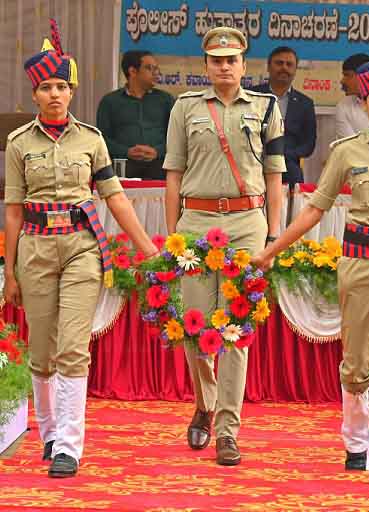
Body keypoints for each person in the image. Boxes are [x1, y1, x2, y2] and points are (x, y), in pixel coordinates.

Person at [252, 29, 369, 490]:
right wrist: (269, 251)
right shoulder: (344, 153)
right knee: (357, 363)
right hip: (359, 261)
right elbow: (315, 209)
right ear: (362, 103)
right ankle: (357, 440)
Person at [3, 21, 157, 478]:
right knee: (42, 351)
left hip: (80, 250)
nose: (54, 94)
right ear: (34, 95)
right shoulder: (18, 143)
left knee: (73, 348)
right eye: (46, 87)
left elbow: (114, 196)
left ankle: (70, 444)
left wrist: (145, 246)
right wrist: (9, 271)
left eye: (62, 87)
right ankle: (49, 433)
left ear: (72, 92)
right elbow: (13, 211)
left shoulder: (92, 139)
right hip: (33, 250)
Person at [162, 26, 285, 467]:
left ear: (244, 65)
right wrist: (172, 230)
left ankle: (228, 431)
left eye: (232, 60)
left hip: (246, 223)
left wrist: (272, 235)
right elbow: (173, 174)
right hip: (195, 222)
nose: (224, 67)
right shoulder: (184, 108)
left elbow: (275, 177)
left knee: (235, 332)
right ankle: (204, 402)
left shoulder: (267, 107)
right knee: (195, 328)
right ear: (206, 66)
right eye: (217, 60)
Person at [96, 49, 175, 180]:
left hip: (159, 168)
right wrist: (126, 152)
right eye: (149, 68)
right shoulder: (110, 101)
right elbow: (101, 138)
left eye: (156, 68)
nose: (156, 73)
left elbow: (177, 136)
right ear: (133, 71)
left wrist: (158, 151)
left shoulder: (165, 100)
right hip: (123, 169)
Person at [248, 46, 317, 186]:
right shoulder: (251, 96)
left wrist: (286, 155)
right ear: (268, 67)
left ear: (295, 70)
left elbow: (309, 144)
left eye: (289, 64)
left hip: (289, 165)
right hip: (254, 163)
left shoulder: (305, 103)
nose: (284, 68)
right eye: (279, 63)